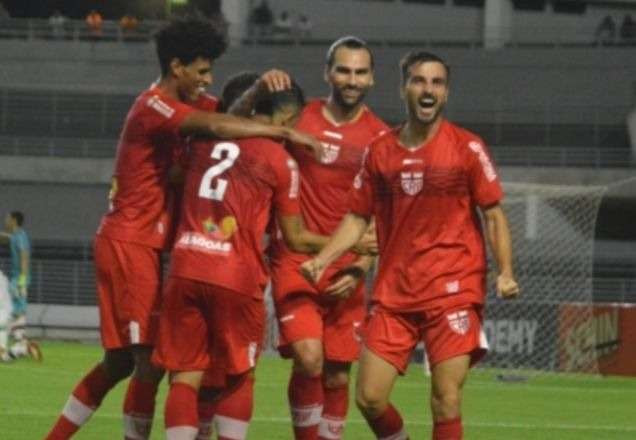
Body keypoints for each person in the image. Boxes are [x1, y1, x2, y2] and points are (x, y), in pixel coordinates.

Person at [44, 18, 320, 440]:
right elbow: (218, 126)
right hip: (130, 242)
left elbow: (227, 114)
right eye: (202, 71)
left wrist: (259, 90)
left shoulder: (193, 105)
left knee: (124, 363)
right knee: (149, 363)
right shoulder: (153, 107)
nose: (208, 81)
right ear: (177, 67)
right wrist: (278, 130)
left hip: (160, 246)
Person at [301, 51, 520, 440]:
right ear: (404, 87)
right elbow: (356, 217)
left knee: (445, 398)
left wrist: (505, 272)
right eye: (419, 81)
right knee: (369, 398)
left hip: (453, 289)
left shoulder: (466, 148)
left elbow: (493, 214)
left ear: (446, 93)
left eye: (436, 83)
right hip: (395, 292)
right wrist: (324, 258)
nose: (428, 89)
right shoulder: (381, 151)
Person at [152, 73, 328, 440]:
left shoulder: (200, 142)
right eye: (292, 120)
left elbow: (174, 173)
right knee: (239, 376)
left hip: (185, 267)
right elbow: (294, 237)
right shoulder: (280, 160)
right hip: (236, 276)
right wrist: (350, 242)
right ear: (279, 116)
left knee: (185, 376)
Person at [233, 36, 388, 440]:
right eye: (343, 70)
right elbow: (234, 128)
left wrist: (358, 269)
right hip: (295, 261)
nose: (351, 80)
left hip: (346, 269)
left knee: (337, 376)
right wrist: (257, 89)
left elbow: (378, 221)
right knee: (309, 357)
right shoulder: (298, 118)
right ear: (328, 73)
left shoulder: (381, 139)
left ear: (371, 79)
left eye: (359, 72)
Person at [0, 211, 40, 361]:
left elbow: (24, 255)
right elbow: (6, 238)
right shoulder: (17, 236)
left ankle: (19, 346)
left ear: (14, 220)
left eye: (7, 218)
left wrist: (22, 280)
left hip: (18, 280)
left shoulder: (20, 237)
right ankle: (22, 345)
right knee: (16, 312)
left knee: (14, 313)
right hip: (17, 279)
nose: (6, 221)